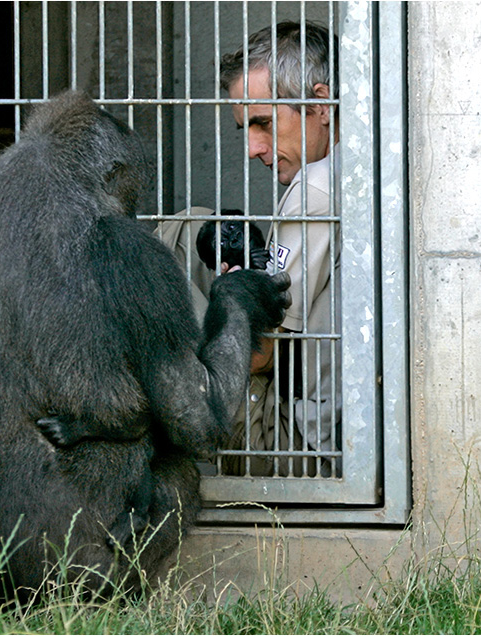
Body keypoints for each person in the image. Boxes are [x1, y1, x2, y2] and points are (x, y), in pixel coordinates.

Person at [161, 21, 340, 478]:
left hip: (297, 442)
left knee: (136, 281)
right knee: (195, 226)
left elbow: (259, 355)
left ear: (321, 103)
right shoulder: (365, 162)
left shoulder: (314, 192)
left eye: (263, 123)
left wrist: (233, 294)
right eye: (247, 127)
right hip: (336, 416)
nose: (253, 148)